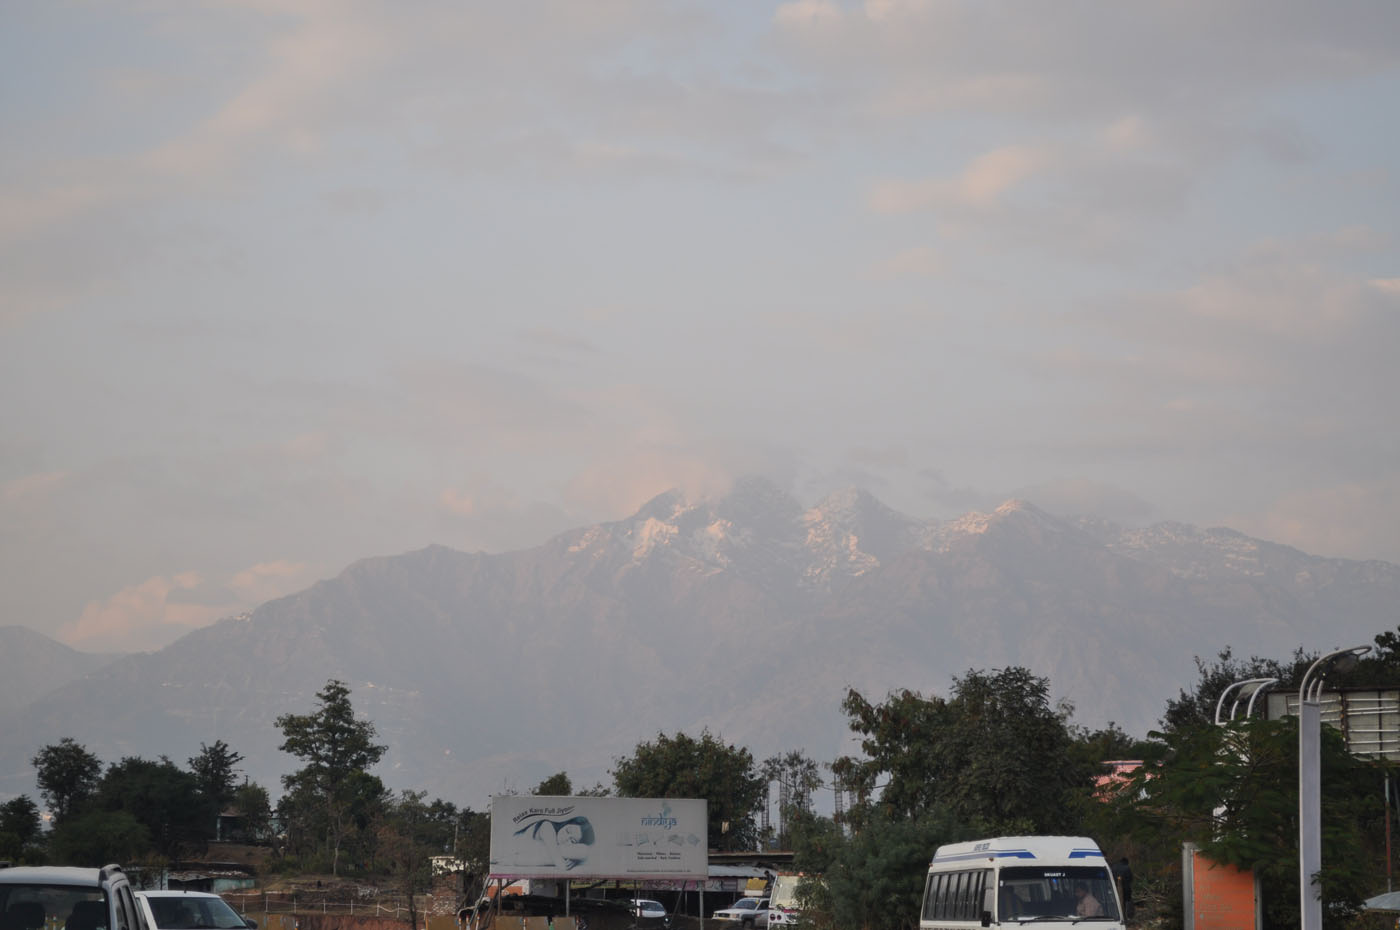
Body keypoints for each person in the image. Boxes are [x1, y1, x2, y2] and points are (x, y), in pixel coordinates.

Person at [505, 815, 595, 871]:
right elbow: (560, 864)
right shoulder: (547, 826)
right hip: (506, 850)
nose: (565, 838)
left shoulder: (554, 848)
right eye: (568, 831)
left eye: (572, 841)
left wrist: (574, 858)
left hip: (514, 857)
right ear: (565, 823)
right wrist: (572, 858)